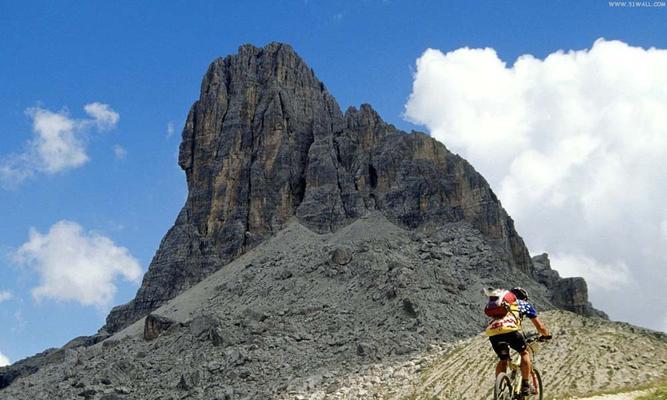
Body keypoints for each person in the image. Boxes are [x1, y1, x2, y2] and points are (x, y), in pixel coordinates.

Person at [484, 287, 552, 396]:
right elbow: (540, 327)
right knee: (524, 352)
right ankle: (525, 385)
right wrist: (547, 335)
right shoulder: (524, 304)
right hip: (510, 331)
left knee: (503, 359)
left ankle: (499, 388)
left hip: (493, 332)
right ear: (524, 298)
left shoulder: (502, 303)